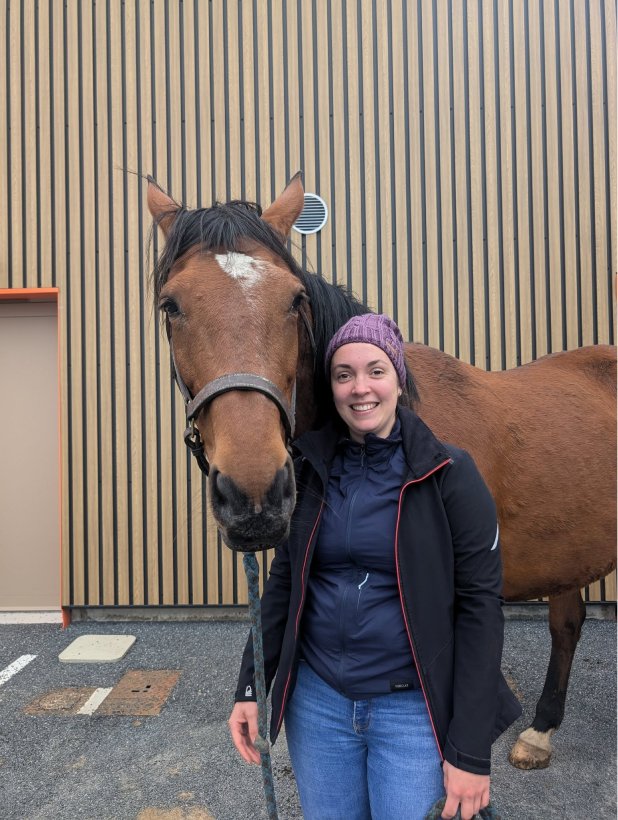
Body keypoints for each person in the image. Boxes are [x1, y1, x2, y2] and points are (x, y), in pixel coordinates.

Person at [229, 313, 521, 820]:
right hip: (319, 708)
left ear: (398, 379)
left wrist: (470, 752)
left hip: (409, 712)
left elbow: (481, 610)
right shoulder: (310, 472)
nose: (360, 388)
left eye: (375, 371)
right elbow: (284, 583)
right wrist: (251, 685)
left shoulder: (449, 475)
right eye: (344, 375)